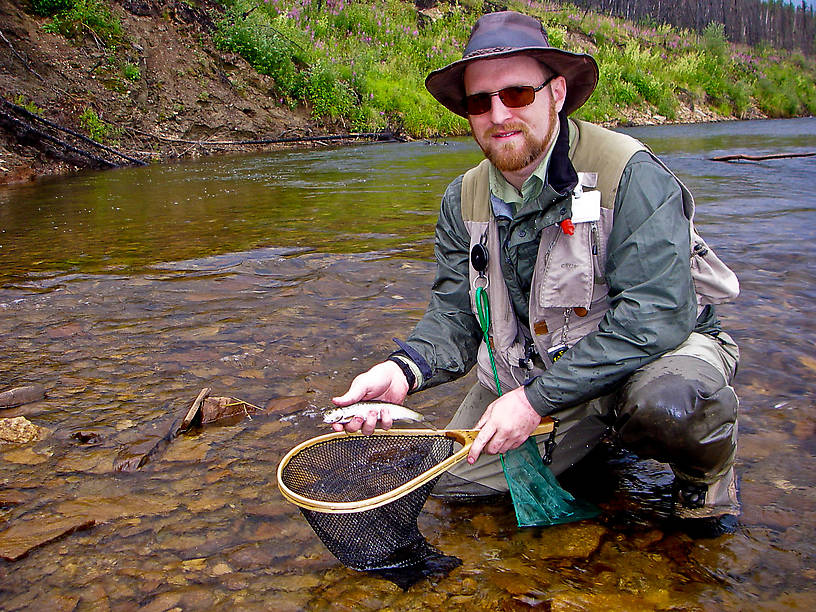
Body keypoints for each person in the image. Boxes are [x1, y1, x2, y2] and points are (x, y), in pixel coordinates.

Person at [331, 11, 741, 536]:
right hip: (539, 368)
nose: (498, 114)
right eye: (481, 102)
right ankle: (584, 444)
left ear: (557, 93)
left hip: (655, 353)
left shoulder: (629, 173)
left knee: (666, 408)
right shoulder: (462, 200)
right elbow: (455, 316)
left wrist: (531, 403)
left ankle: (706, 474)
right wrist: (402, 370)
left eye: (517, 94)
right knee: (450, 486)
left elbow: (654, 318)